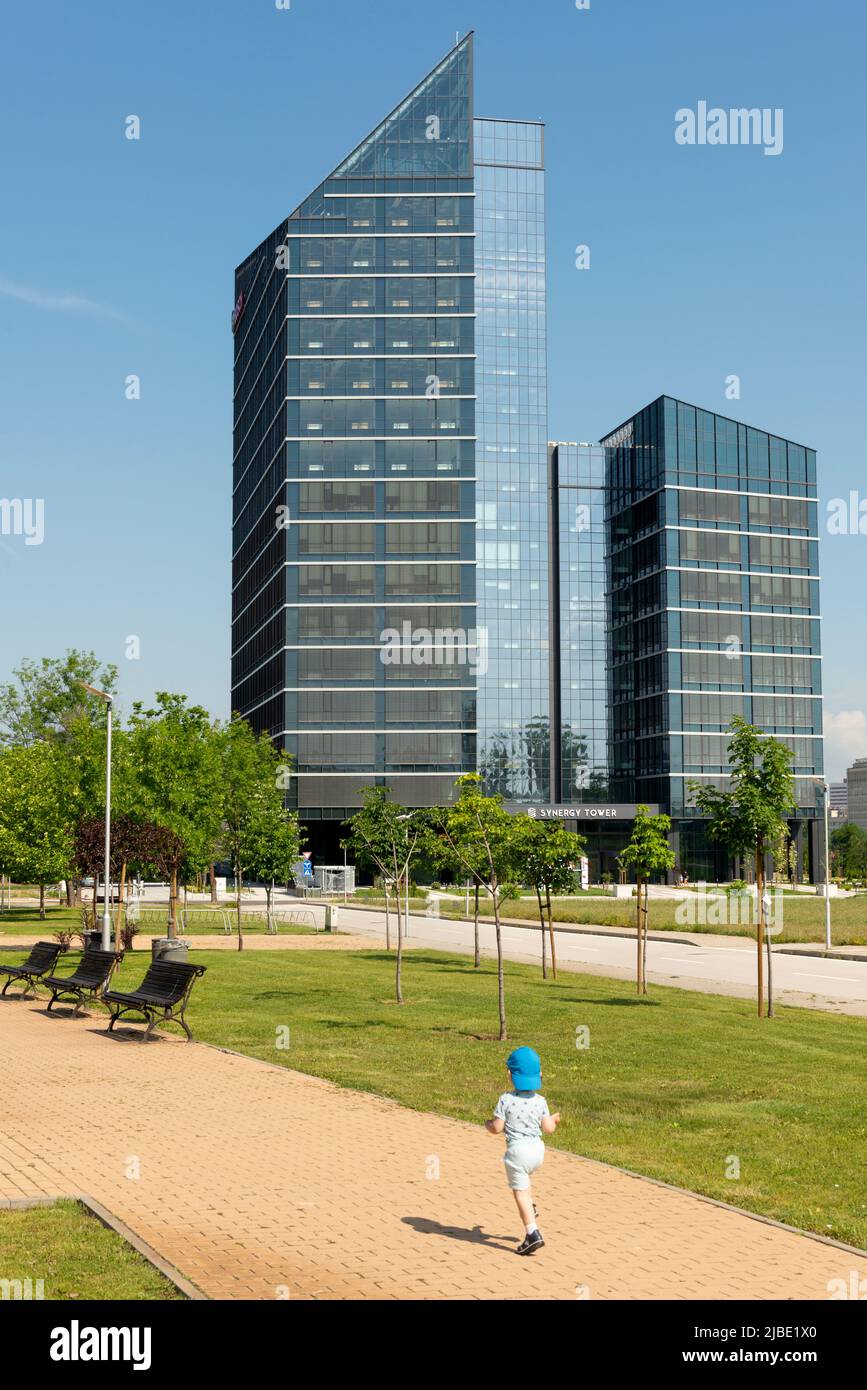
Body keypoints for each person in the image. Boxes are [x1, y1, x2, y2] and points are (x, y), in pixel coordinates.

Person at [486, 1046, 560, 1255]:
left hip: (517, 1153)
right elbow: (548, 1128)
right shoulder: (540, 1101)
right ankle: (530, 1206)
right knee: (524, 1183)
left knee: (519, 1192)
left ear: (510, 1074)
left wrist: (488, 1124)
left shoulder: (506, 1099)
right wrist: (553, 1119)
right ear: (540, 1076)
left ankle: (532, 1233)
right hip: (537, 1152)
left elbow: (497, 1128)